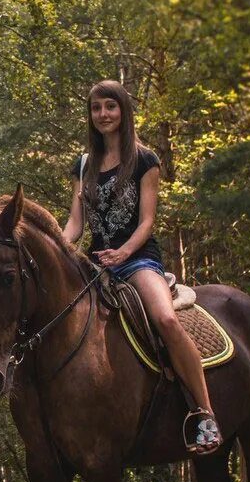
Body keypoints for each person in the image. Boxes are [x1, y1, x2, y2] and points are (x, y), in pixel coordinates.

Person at [60, 80, 220, 455]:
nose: (103, 115)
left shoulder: (145, 160)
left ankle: (205, 414)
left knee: (165, 320)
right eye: (96, 108)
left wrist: (123, 253)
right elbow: (75, 225)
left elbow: (147, 221)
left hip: (138, 260)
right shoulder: (83, 166)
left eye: (110, 107)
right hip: (95, 265)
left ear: (123, 111)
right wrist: (53, 247)